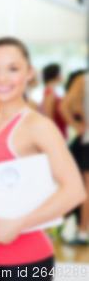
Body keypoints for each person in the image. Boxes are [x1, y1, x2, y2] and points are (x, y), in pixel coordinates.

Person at [0, 37, 86, 281]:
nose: (2, 78)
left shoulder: (36, 125)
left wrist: (16, 225)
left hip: (26, 263)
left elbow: (75, 191)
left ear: (29, 73)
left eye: (13, 69)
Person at [60, 69, 89, 244]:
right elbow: (64, 106)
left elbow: (66, 105)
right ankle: (82, 232)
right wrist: (78, 125)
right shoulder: (83, 79)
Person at [41, 63, 66, 138]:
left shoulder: (52, 92)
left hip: (59, 131)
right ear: (58, 75)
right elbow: (49, 119)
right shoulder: (50, 94)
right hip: (56, 134)